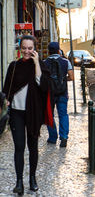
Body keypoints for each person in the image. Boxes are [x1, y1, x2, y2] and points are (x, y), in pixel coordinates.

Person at [2, 35, 50, 195]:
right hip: (17, 113)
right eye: (24, 48)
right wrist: (7, 100)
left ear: (34, 49)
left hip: (33, 113)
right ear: (20, 48)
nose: (27, 51)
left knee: (33, 147)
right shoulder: (14, 66)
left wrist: (36, 63)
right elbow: (6, 88)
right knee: (19, 148)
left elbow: (42, 85)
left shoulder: (40, 65)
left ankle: (32, 179)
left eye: (30, 48)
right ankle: (19, 182)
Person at [44, 42, 74, 148]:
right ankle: (64, 137)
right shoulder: (65, 62)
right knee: (63, 114)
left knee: (49, 114)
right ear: (58, 51)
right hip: (62, 92)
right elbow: (71, 77)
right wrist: (63, 80)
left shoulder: (44, 63)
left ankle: (52, 137)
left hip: (49, 94)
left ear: (48, 51)